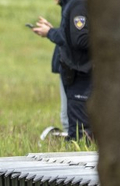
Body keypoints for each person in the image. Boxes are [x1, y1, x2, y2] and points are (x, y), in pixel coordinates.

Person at [34, 0, 91, 141]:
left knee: (76, 128)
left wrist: (50, 32)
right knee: (75, 123)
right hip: (75, 71)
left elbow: (76, 39)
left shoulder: (77, 4)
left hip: (80, 73)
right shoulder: (71, 5)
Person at [32, 0, 71, 136]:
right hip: (68, 67)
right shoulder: (68, 6)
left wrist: (49, 32)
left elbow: (71, 38)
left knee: (70, 118)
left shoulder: (75, 5)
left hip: (73, 68)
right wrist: (52, 29)